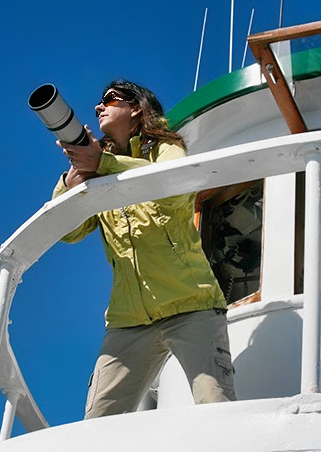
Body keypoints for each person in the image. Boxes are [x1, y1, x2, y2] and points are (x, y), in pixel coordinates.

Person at [52, 79, 236, 419]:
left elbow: (171, 180)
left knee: (216, 410)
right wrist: (71, 181)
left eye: (110, 99)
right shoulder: (97, 169)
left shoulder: (166, 148)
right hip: (128, 320)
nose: (98, 107)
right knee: (97, 426)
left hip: (191, 305)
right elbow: (69, 231)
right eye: (99, 103)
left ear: (136, 108)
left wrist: (102, 165)